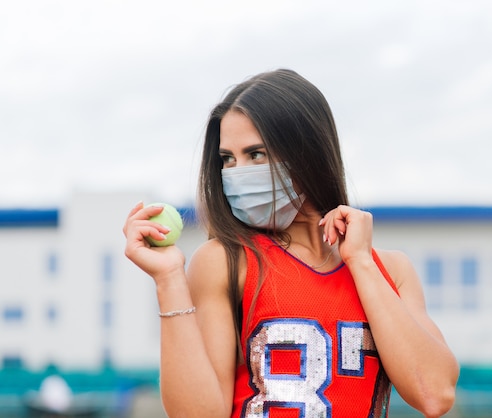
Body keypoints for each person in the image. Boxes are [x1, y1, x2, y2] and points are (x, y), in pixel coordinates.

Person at [123, 69, 459, 418]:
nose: (237, 173)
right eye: (228, 159)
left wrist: (361, 263)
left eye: (256, 154)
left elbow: (434, 394)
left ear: (307, 152)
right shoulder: (226, 260)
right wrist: (168, 281)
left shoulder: (390, 269)